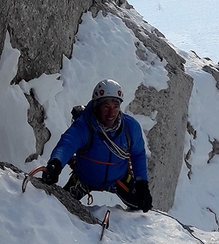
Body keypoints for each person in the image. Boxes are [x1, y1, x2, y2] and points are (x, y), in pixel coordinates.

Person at [42, 79, 153, 212]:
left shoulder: (130, 127)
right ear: (96, 106)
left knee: (142, 206)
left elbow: (138, 154)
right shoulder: (84, 126)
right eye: (106, 106)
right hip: (84, 179)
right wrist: (56, 163)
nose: (111, 113)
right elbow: (67, 144)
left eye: (115, 106)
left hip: (118, 179)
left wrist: (142, 184)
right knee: (58, 209)